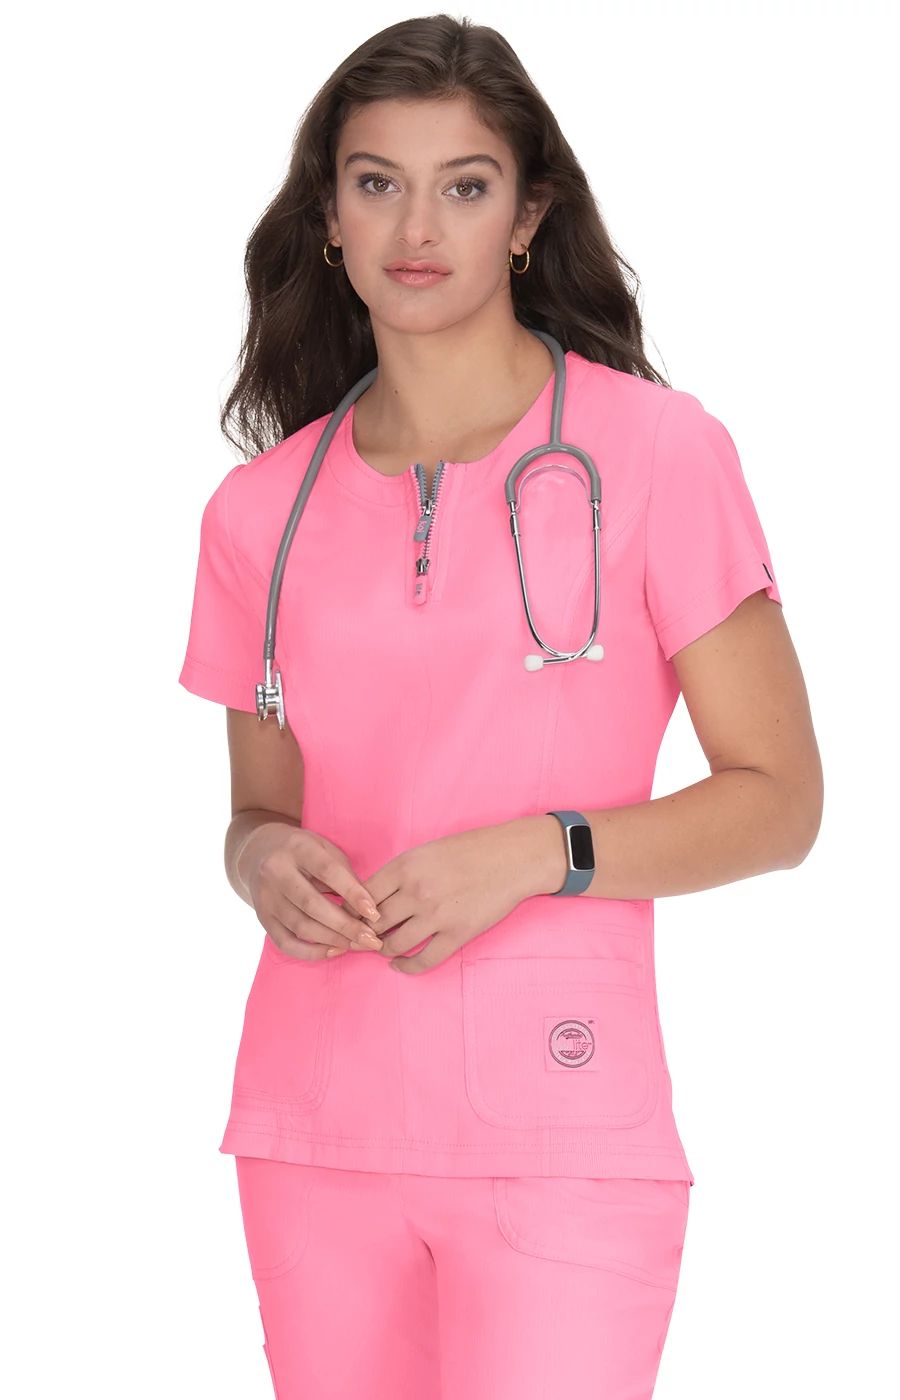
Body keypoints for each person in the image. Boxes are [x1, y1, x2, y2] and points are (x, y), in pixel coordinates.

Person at [177, 14, 823, 1399]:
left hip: (563, 1126)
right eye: (377, 182)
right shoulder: (258, 513)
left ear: (528, 218)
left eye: (464, 186)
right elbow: (257, 811)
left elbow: (780, 801)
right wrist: (263, 861)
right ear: (329, 218)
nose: (418, 227)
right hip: (315, 1128)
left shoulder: (658, 455)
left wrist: (544, 852)